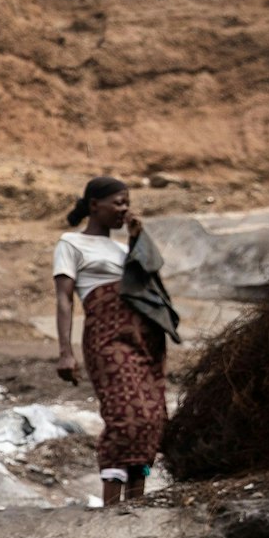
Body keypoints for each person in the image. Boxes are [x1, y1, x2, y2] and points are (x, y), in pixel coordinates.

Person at [53, 175, 179, 506]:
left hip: (145, 338)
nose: (124, 209)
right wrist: (65, 352)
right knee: (125, 414)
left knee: (152, 418)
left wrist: (138, 237)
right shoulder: (71, 244)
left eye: (127, 203)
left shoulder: (125, 248)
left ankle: (136, 501)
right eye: (118, 202)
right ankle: (112, 503)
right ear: (95, 205)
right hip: (108, 338)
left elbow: (153, 282)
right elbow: (64, 299)